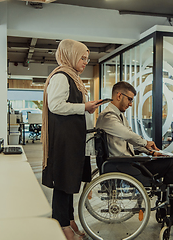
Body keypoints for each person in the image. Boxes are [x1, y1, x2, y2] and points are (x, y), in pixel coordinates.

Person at [96, 81, 173, 223]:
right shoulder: (108, 117)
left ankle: (172, 208)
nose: (131, 104)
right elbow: (129, 135)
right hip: (123, 166)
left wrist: (150, 151)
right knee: (172, 165)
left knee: (170, 163)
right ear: (119, 95)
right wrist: (146, 143)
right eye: (129, 99)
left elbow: (129, 139)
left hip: (127, 163)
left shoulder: (118, 116)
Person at [41, 39, 102, 240]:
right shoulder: (61, 77)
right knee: (63, 182)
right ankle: (62, 224)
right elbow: (55, 106)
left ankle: (68, 219)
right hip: (63, 139)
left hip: (72, 138)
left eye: (87, 58)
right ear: (70, 56)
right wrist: (84, 107)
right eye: (82, 57)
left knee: (69, 181)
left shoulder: (72, 76)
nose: (85, 62)